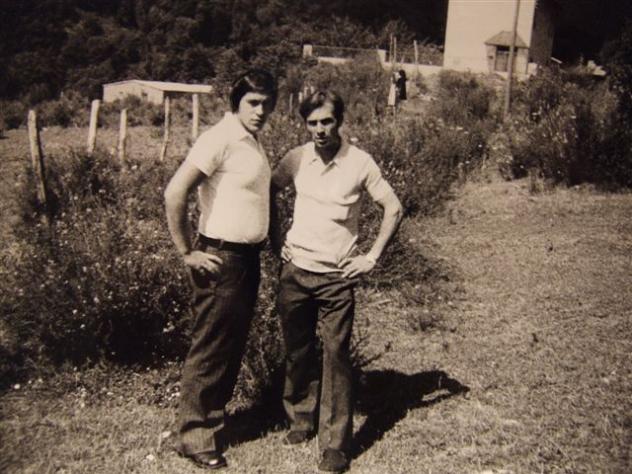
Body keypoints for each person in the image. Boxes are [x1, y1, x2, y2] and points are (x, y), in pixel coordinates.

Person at [271, 90, 403, 473]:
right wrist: (277, 241)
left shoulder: (359, 162)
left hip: (336, 279)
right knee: (297, 352)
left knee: (336, 358)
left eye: (326, 121)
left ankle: (335, 445)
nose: (320, 130)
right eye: (312, 123)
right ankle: (301, 419)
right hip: (295, 273)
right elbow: (269, 190)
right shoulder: (296, 158)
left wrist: (370, 257)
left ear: (339, 121)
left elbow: (393, 208)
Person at [164, 69, 277, 470]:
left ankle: (210, 423)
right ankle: (193, 436)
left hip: (246, 259)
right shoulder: (220, 138)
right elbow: (175, 193)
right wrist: (187, 253)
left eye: (267, 104)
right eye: (253, 103)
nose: (261, 111)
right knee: (211, 347)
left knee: (230, 346)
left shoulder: (251, 141)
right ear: (236, 102)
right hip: (220, 259)